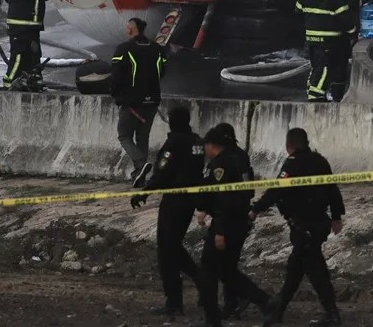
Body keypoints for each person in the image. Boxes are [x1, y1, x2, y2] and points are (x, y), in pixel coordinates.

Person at [252, 128, 345, 327]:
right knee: (296, 267)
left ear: (289, 146)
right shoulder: (320, 161)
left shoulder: (292, 164)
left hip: (305, 225)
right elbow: (333, 190)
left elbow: (277, 190)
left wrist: (256, 209)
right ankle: (278, 310)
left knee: (315, 269)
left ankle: (332, 314)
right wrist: (336, 216)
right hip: (319, 223)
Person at [194, 126, 271, 327]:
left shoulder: (220, 165)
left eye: (206, 146)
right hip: (238, 222)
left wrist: (219, 231)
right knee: (227, 270)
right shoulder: (239, 158)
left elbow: (224, 201)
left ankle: (212, 318)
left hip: (226, 224)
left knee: (209, 269)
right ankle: (264, 301)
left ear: (211, 146)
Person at [130, 106, 204, 316]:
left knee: (167, 251)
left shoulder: (175, 142)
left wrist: (144, 193)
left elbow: (162, 171)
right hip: (190, 201)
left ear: (172, 122)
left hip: (175, 202)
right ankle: (199, 279)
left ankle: (174, 301)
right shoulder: (197, 141)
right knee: (173, 246)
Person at [111, 17, 167, 183]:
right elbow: (162, 72)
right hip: (152, 102)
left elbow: (116, 76)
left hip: (131, 102)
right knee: (143, 138)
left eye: (127, 26)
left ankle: (140, 163)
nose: (125, 29)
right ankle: (140, 175)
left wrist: (116, 95)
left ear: (131, 29)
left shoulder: (124, 49)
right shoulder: (157, 48)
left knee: (124, 136)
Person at [295, 0, 355, 102]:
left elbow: (298, 11)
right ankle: (315, 98)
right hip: (329, 41)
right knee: (325, 71)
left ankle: (312, 91)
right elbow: (345, 19)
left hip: (311, 41)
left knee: (316, 68)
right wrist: (353, 32)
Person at [3, 0, 57, 89]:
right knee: (19, 56)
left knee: (32, 55)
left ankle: (29, 81)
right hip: (23, 25)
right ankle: (9, 83)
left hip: (26, 25)